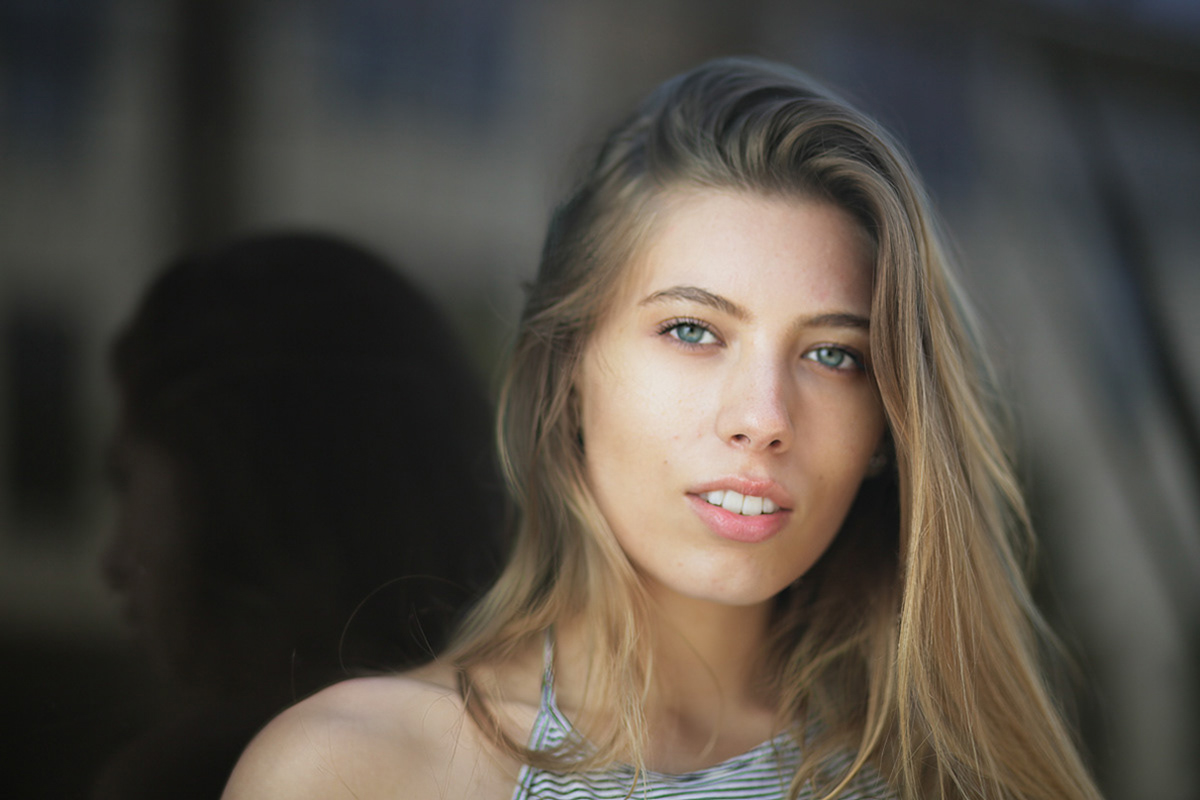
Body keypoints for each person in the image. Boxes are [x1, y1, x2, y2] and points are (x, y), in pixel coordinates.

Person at [222, 58, 1103, 800]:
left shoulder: (949, 781)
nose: (763, 419)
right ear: (569, 368)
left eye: (834, 355)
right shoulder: (354, 773)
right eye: (692, 330)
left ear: (886, 428)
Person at [95, 231, 504, 800]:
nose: (113, 563)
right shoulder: (550, 754)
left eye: (127, 481)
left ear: (227, 487)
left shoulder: (204, 778)